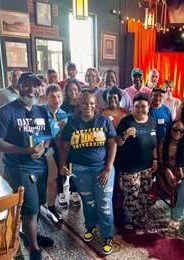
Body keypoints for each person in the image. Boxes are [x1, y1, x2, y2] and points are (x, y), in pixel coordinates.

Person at [0, 72, 53, 260]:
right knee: (30, 209)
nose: (31, 89)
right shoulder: (6, 111)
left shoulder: (42, 111)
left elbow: (48, 139)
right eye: (27, 85)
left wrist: (43, 149)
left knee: (37, 206)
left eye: (35, 86)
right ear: (18, 86)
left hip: (41, 166)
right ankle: (34, 248)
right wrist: (26, 150)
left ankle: (33, 235)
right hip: (19, 169)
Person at [60, 90, 117, 255]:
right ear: (79, 104)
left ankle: (107, 236)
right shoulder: (72, 123)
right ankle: (90, 226)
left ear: (96, 104)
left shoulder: (104, 121)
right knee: (89, 202)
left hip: (102, 169)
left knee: (104, 204)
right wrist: (62, 164)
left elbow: (112, 144)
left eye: (92, 103)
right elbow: (65, 147)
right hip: (80, 170)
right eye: (85, 103)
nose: (88, 106)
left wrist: (108, 168)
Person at [116, 93, 158, 235]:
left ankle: (140, 218)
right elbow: (117, 143)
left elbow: (154, 144)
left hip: (147, 166)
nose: (140, 109)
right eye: (137, 106)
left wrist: (155, 159)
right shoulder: (126, 121)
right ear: (132, 108)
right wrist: (125, 135)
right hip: (130, 167)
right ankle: (130, 220)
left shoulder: (152, 120)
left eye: (143, 106)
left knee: (144, 194)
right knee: (132, 194)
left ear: (149, 107)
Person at [0, 68, 22, 176]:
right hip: (2, 136)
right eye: (14, 76)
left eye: (19, 76)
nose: (17, 78)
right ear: (9, 78)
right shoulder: (1, 94)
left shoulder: (25, 94)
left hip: (18, 138)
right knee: (2, 167)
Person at [43, 84, 67, 223]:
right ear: (46, 98)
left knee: (53, 180)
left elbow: (63, 136)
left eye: (59, 96)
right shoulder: (39, 111)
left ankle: (51, 206)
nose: (56, 99)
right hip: (39, 150)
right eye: (52, 97)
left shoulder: (64, 114)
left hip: (55, 151)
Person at [60, 79, 82, 207]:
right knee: (64, 166)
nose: (73, 92)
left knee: (75, 167)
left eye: (75, 89)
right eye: (70, 90)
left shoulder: (82, 105)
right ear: (66, 92)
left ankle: (75, 191)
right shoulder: (63, 106)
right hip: (65, 140)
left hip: (79, 141)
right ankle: (63, 192)